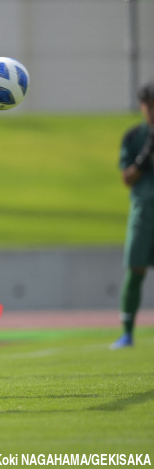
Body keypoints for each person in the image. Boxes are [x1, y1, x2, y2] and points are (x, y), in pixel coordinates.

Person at [112, 81, 154, 349]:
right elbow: (126, 178)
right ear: (141, 106)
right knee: (135, 267)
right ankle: (127, 331)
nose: (152, 110)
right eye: (148, 105)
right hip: (143, 210)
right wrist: (144, 156)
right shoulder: (133, 137)